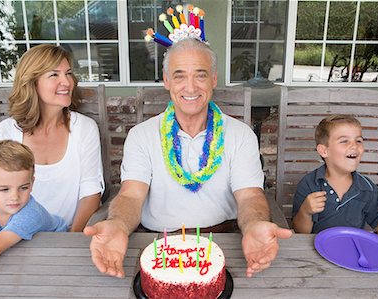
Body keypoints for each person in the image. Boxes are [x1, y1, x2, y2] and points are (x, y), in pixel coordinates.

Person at [84, 38, 292, 278]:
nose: (190, 87)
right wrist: (118, 225)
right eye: (180, 75)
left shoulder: (240, 134)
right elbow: (131, 194)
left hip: (225, 241)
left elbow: (250, 195)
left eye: (200, 75)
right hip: (155, 244)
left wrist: (255, 225)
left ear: (214, 79)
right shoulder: (141, 135)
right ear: (167, 81)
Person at [0, 44, 104, 232]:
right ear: (32, 82)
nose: (67, 82)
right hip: (18, 236)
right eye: (54, 75)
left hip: (71, 234)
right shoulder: (8, 131)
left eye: (68, 73)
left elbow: (90, 193)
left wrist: (69, 241)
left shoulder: (84, 129)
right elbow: (1, 194)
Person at [0, 140, 68, 277]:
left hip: (58, 245)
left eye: (23, 187)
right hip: (20, 249)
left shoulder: (30, 213)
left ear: (32, 183)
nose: (15, 197)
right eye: (5, 189)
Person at [292, 114, 378, 234]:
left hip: (354, 248)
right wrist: (305, 212)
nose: (354, 145)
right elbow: (301, 232)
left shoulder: (366, 188)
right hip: (315, 248)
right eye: (344, 141)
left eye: (358, 140)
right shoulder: (309, 184)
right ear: (324, 150)